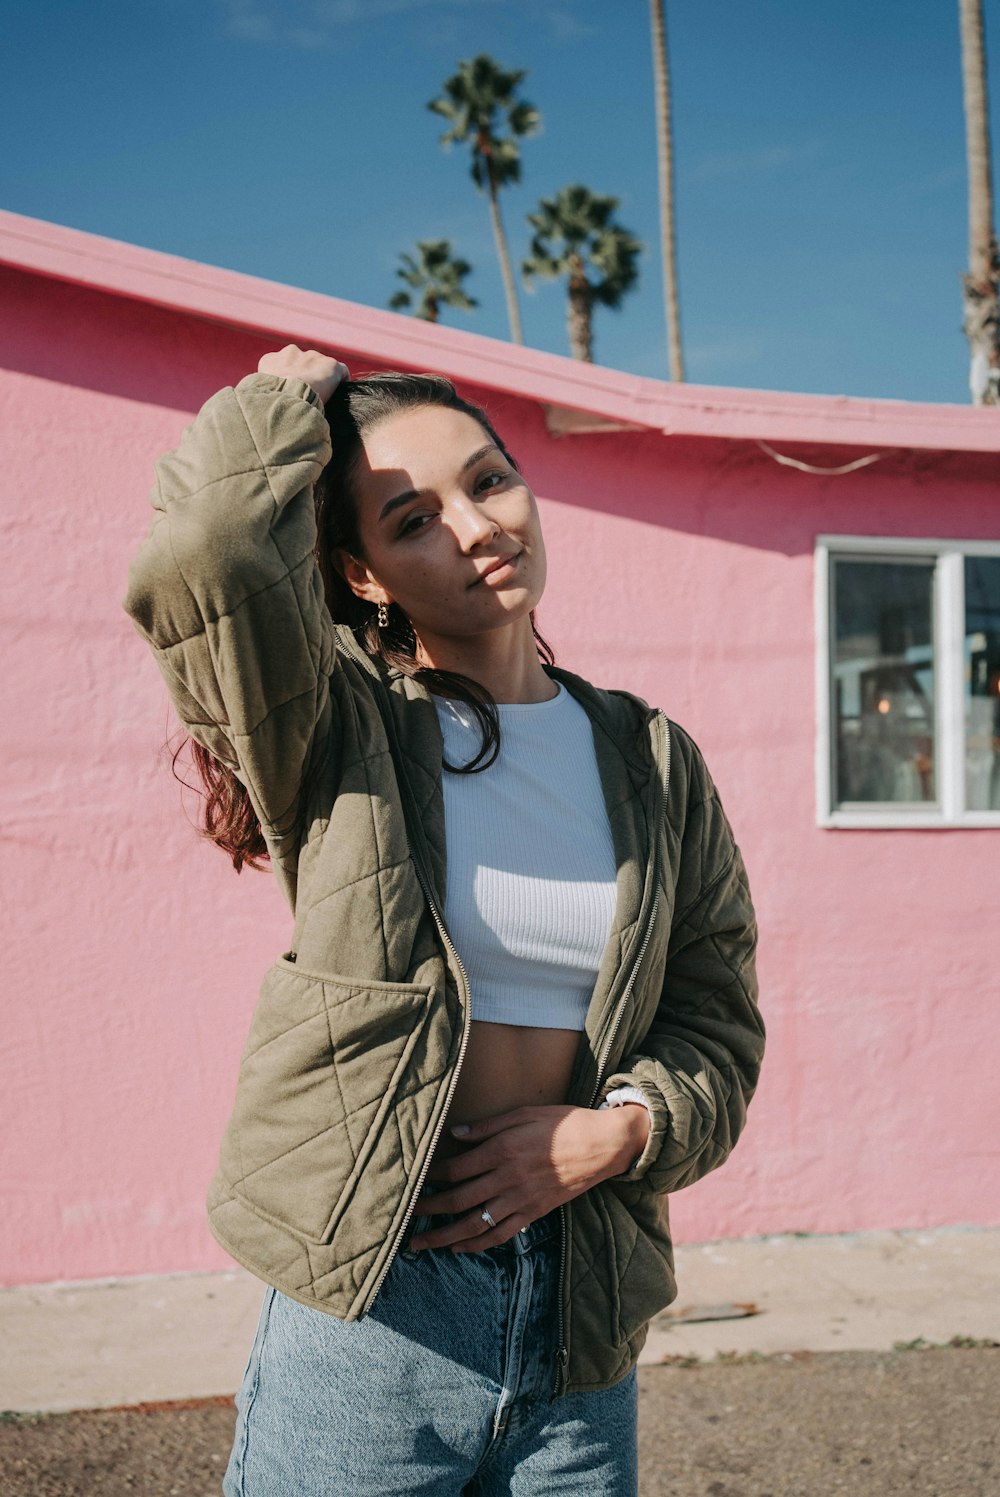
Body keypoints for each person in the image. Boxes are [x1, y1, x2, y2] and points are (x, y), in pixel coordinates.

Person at [123, 345, 764, 1496]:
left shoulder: (653, 759)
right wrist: (281, 403)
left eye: (489, 480)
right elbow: (201, 561)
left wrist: (617, 1131)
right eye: (411, 518)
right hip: (383, 1302)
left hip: (583, 1305)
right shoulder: (338, 728)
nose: (476, 526)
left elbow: (717, 1022)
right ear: (362, 574)